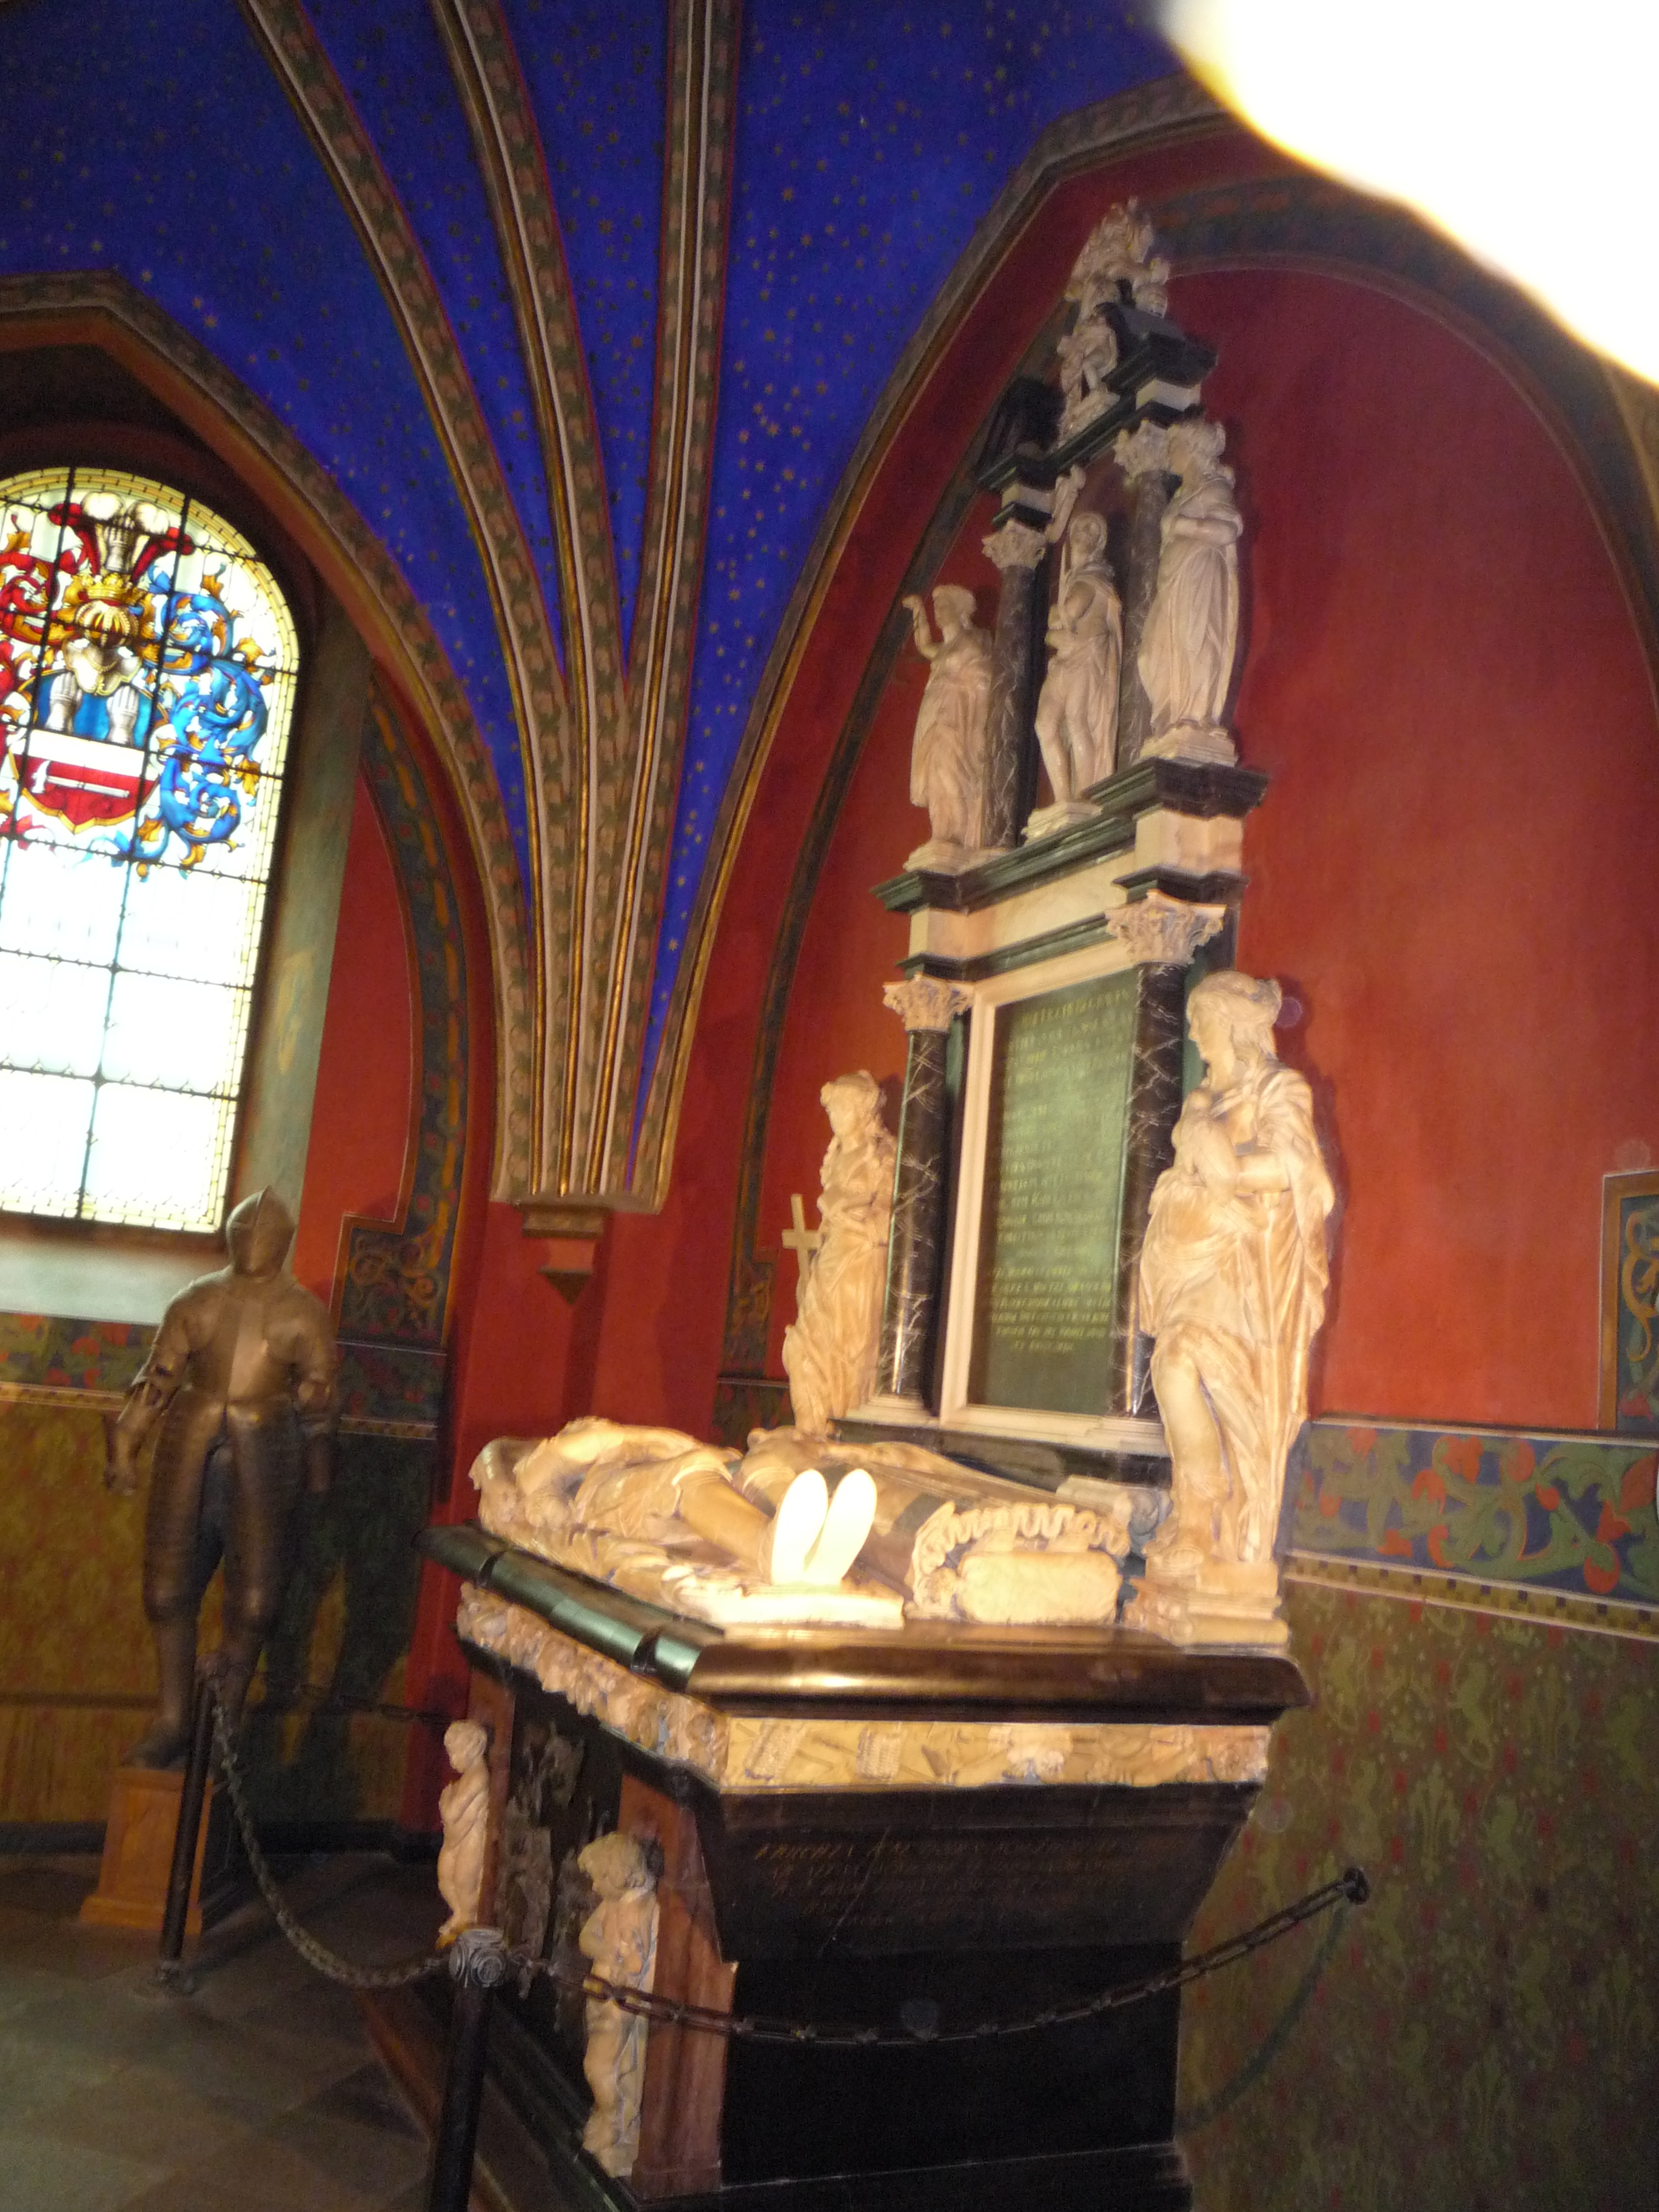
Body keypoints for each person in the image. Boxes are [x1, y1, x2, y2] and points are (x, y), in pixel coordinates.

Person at [106, 1186, 338, 1766]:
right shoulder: (197, 1300)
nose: (255, 1240)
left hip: (267, 1446)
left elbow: (319, 1405)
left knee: (255, 1602)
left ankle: (224, 1726)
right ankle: (173, 1718)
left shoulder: (304, 1313)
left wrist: (317, 1476)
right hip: (190, 1441)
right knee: (166, 1591)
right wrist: (127, 1442)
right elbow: (157, 1379)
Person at [1136, 972, 1334, 1580]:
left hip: (1244, 1264)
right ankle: (1195, 1511)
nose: (1194, 1035)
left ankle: (1209, 1516)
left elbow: (1299, 1170)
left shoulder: (1280, 1088)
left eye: (1200, 1021)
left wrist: (1227, 1178)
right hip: (1191, 1256)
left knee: (1181, 1361)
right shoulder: (1203, 1100)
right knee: (1170, 1364)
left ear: (1229, 1023)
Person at [782, 1071, 895, 1435]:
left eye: (842, 1108)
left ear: (863, 1112)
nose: (835, 1116)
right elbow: (827, 1224)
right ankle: (814, 1428)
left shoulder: (884, 1157)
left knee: (852, 1347)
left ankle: (846, 1430)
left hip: (861, 1264)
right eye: (832, 1109)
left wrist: (848, 1217)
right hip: (830, 1260)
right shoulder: (836, 1157)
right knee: (808, 1341)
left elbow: (890, 1222)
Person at [1136, 417, 1243, 742]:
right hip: (1173, 580)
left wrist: (1182, 526)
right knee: (1150, 656)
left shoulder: (1214, 487)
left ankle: (1195, 717)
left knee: (1197, 640)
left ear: (1194, 449)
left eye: (1176, 446)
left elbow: (1227, 531)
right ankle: (1173, 716)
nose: (1171, 454)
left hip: (1200, 570)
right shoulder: (1184, 493)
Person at [1034, 510, 1123, 801]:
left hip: (1087, 657)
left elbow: (1070, 612)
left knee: (1077, 720)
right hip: (1064, 661)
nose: (1084, 533)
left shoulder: (1094, 578)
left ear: (1099, 542)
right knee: (1045, 724)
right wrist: (1054, 630)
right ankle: (1064, 800)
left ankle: (1085, 798)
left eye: (1092, 530)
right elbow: (1052, 630)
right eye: (1080, 528)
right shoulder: (1074, 578)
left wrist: (1056, 620)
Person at [901, 583, 993, 854]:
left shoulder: (968, 645)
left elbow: (984, 682)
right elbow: (924, 645)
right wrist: (919, 611)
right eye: (936, 608)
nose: (938, 613)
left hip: (956, 719)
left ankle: (958, 834)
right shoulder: (944, 649)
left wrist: (978, 726)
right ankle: (942, 831)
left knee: (951, 770)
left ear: (959, 611)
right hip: (935, 719)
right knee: (935, 776)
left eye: (944, 607)